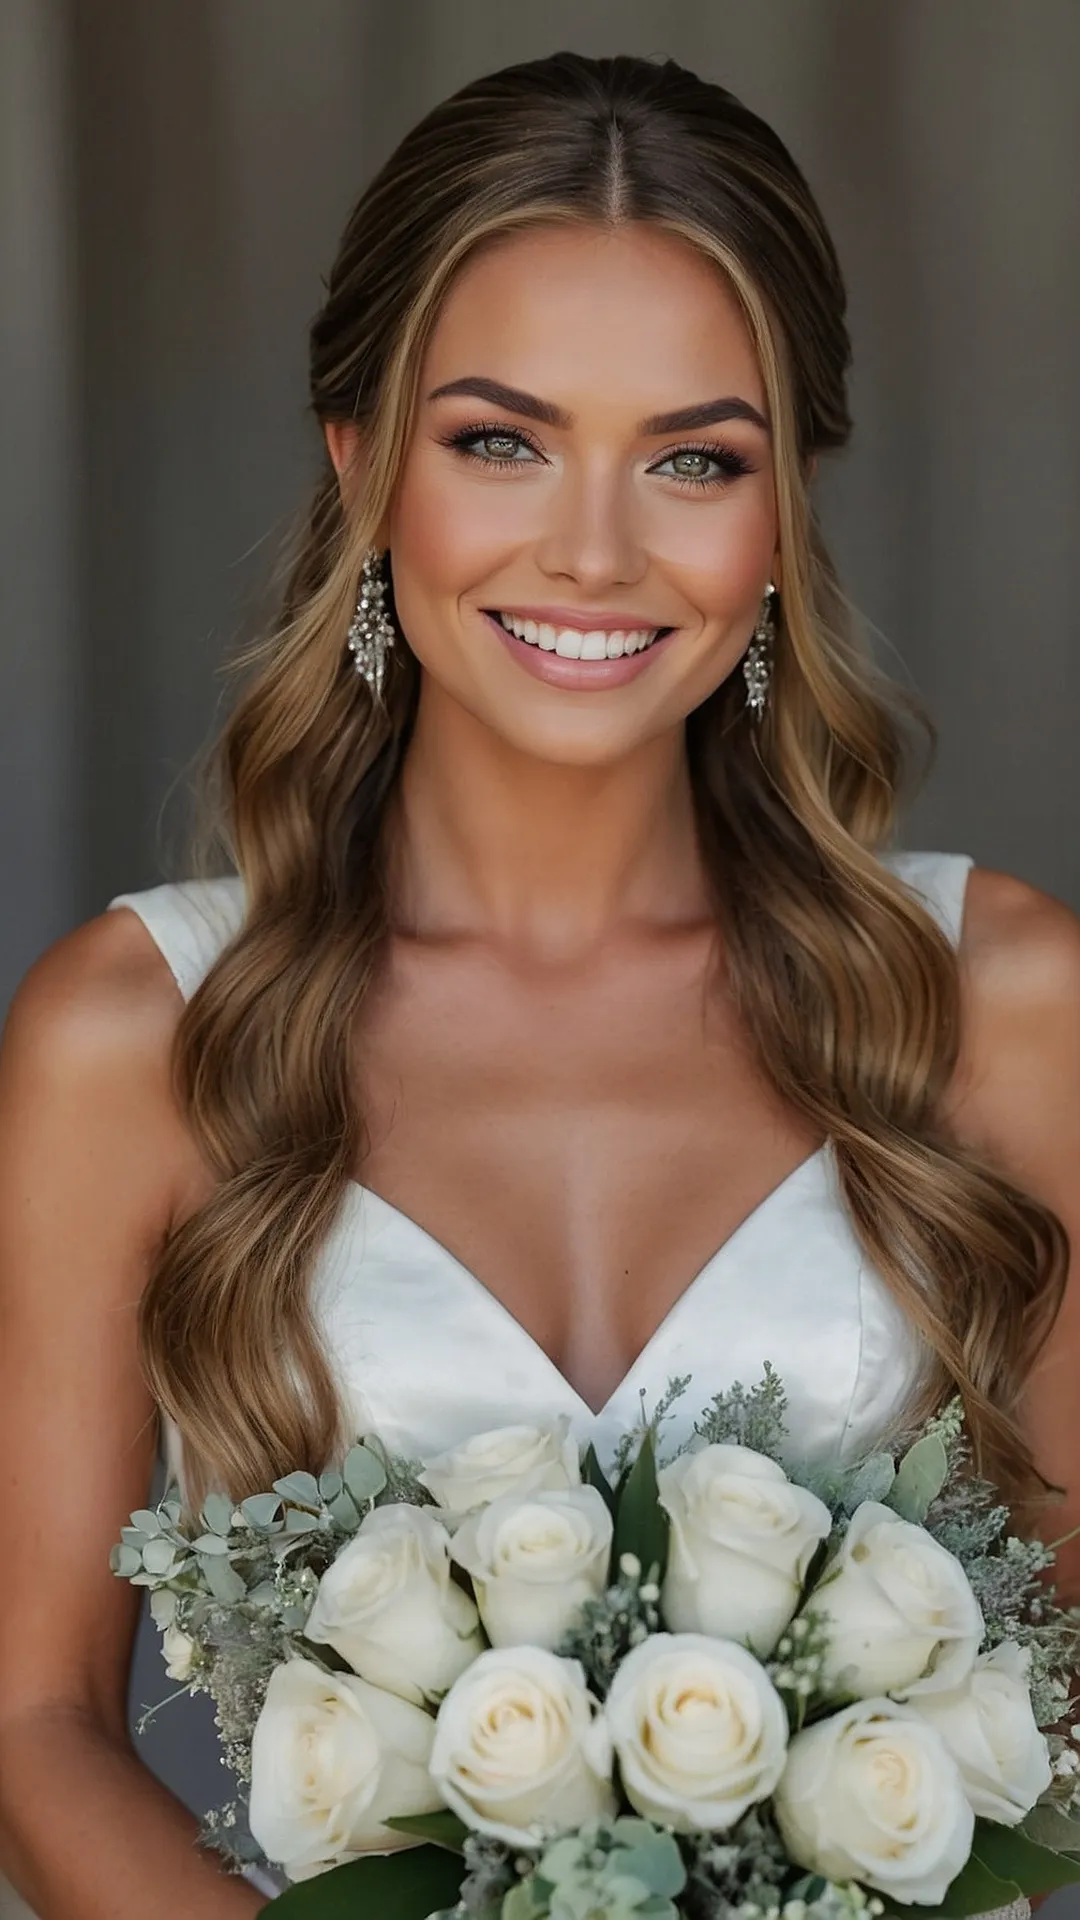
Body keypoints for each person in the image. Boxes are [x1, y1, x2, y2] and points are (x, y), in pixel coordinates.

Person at [0, 47, 1076, 1919]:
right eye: (499, 438)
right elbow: (32, 1721)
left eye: (694, 459)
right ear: (361, 463)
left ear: (784, 514)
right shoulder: (132, 1032)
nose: (593, 544)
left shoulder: (1003, 1004)